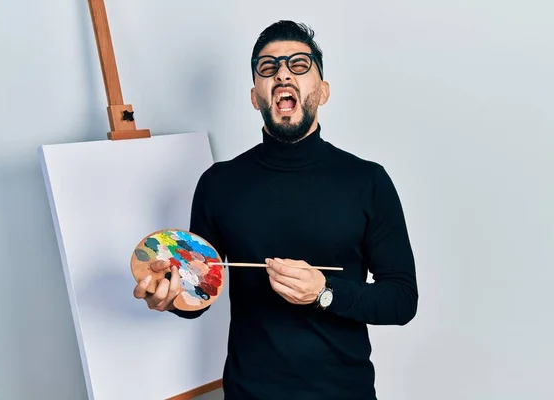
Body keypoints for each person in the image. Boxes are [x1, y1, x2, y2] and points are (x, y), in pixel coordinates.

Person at [133, 20, 418, 400]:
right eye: (268, 67)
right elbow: (198, 291)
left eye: (299, 64)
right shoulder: (218, 183)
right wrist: (168, 297)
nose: (282, 72)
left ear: (323, 90)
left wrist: (325, 291)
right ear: (256, 96)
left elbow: (401, 299)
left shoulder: (368, 181)